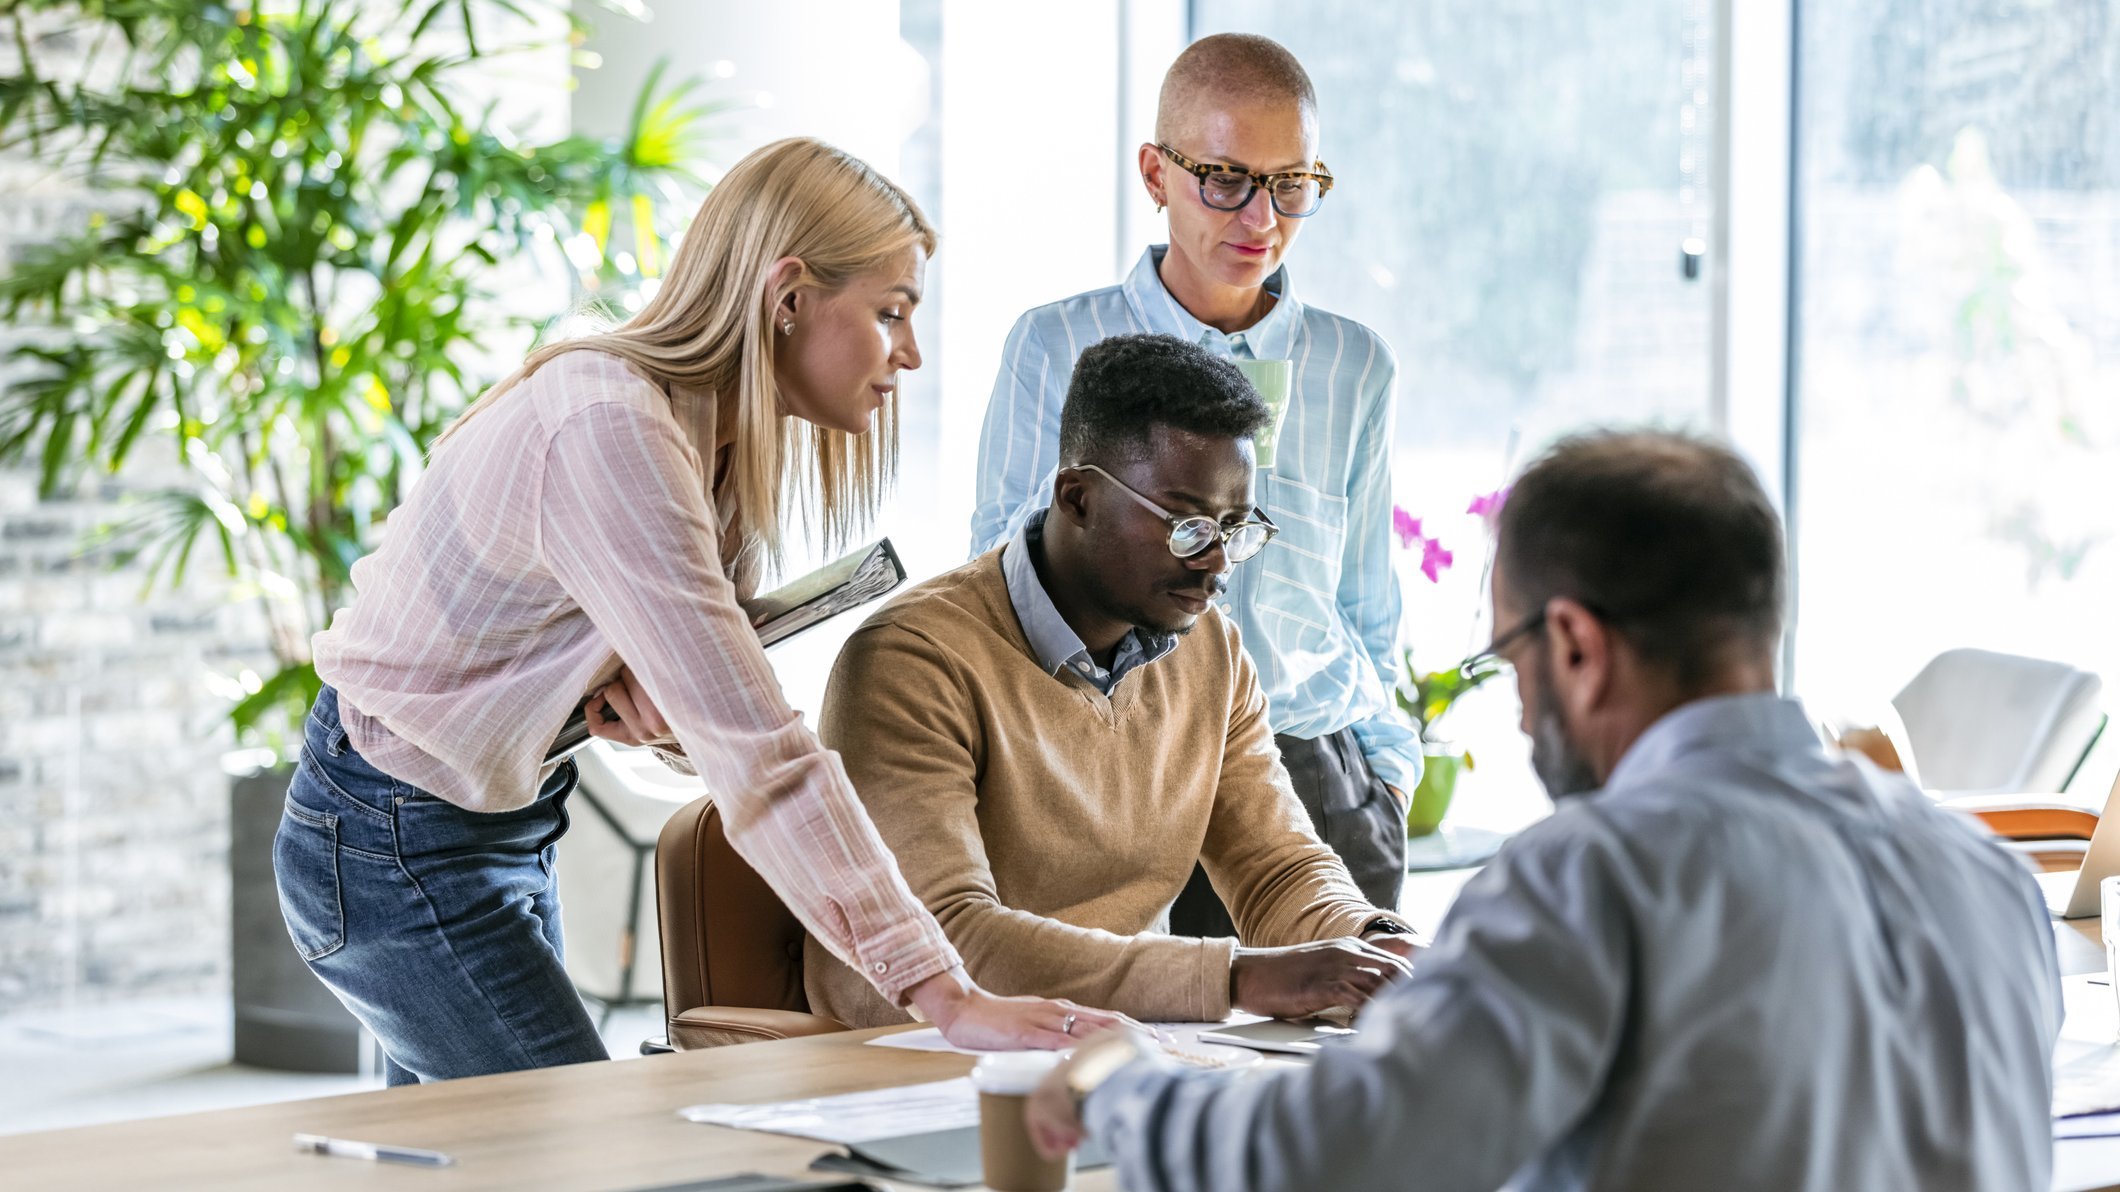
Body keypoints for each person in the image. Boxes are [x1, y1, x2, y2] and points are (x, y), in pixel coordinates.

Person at [272, 138, 1125, 1085]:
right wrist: (946, 993)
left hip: (491, 822)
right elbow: (763, 759)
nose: (910, 354)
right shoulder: (613, 428)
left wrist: (666, 723)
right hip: (390, 836)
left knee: (458, 1162)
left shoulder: (711, 449)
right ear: (788, 294)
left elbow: (700, 727)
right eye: (890, 314)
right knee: (568, 1152)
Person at [1027, 430, 2063, 1191]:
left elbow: (1337, 1158)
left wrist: (1122, 1082)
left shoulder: (1598, 875)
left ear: (1572, 644)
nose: (1519, 705)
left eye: (1509, 656)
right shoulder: (1981, 874)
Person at [807, 335, 1419, 1028]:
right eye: (1187, 527)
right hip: (909, 1059)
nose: (1217, 564)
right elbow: (949, 938)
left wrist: (1373, 947)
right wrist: (1235, 979)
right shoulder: (911, 660)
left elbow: (1276, 869)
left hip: (1109, 1048)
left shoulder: (1210, 650)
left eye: (1234, 526)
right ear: (1078, 498)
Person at [970, 34, 1414, 936]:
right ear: (1155, 173)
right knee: (1119, 1055)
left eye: (1291, 184)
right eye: (1225, 177)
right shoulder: (1055, 346)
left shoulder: (1352, 364)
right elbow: (995, 572)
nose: (1261, 218)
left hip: (1309, 772)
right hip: (1116, 765)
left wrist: (1385, 771)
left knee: (1333, 1063)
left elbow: (1369, 596)